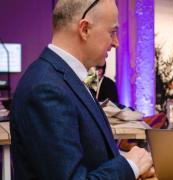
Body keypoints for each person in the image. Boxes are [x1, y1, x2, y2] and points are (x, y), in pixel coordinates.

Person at [10, 0, 153, 179]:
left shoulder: (65, 78)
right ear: (84, 29)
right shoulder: (47, 90)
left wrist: (131, 162)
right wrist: (129, 166)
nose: (116, 43)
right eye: (112, 32)